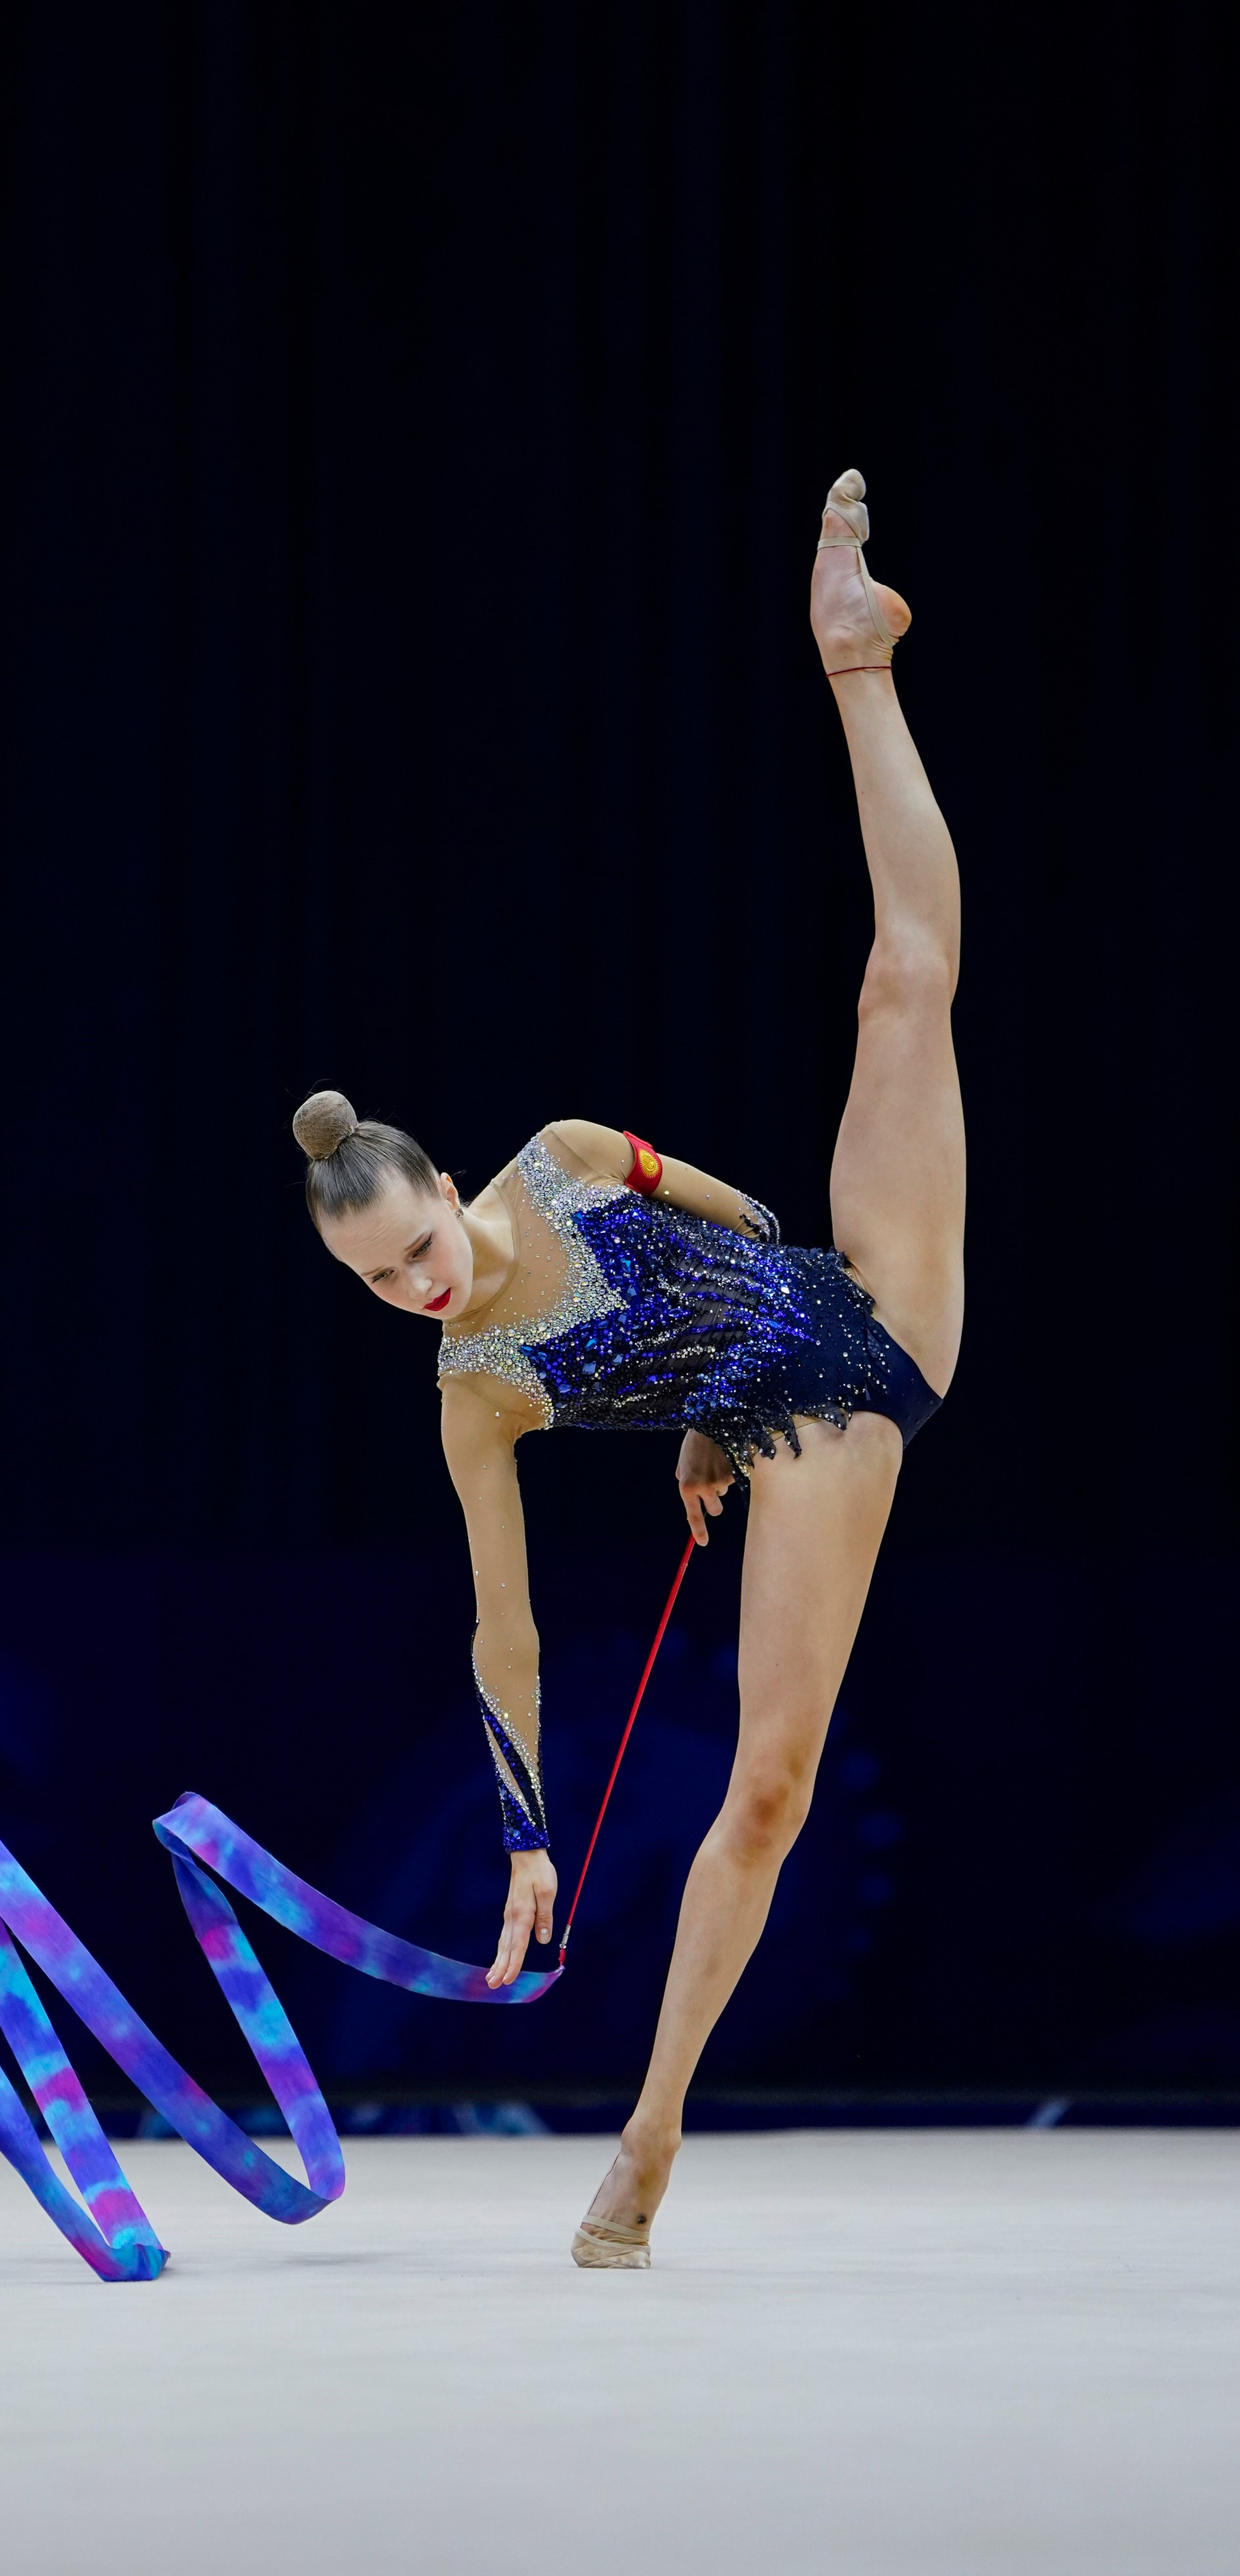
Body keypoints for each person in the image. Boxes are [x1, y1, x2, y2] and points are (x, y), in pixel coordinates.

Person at [291, 470, 963, 2270]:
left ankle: (854, 658)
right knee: (768, 1787)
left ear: (444, 1185)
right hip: (821, 1411)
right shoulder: (473, 1396)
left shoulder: (567, 1155)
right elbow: (499, 1630)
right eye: (374, 1285)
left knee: (903, 987)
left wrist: (714, 1391)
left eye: (412, 1249)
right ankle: (646, 2148)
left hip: (863, 1294)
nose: (413, 1289)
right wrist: (521, 1835)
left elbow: (738, 1218)